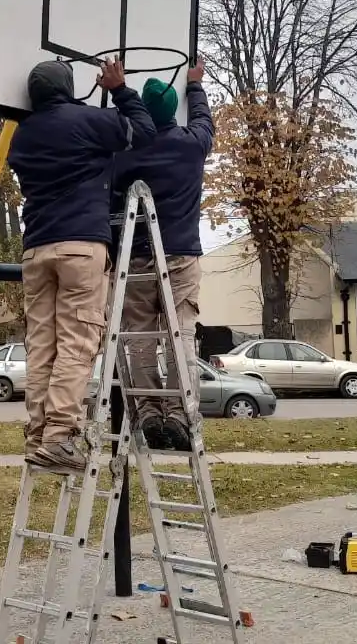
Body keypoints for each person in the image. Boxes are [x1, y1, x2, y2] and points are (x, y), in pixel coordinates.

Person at [9, 57, 156, 471]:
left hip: (36, 250)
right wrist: (121, 90)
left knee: (42, 345)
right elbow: (143, 133)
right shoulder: (87, 121)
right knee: (77, 341)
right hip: (79, 245)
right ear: (68, 87)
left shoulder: (23, 135)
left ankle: (38, 434)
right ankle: (60, 437)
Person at [112, 56, 214, 451]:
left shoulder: (125, 154)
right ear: (173, 112)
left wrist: (120, 95)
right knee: (179, 335)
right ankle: (182, 417)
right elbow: (204, 120)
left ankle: (149, 413)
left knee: (137, 337)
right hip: (181, 256)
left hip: (135, 260)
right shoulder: (192, 145)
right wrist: (195, 84)